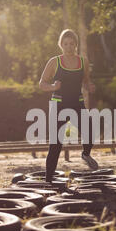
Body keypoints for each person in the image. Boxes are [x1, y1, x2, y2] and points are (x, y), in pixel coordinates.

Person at [39, 29, 99, 182]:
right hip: (58, 105)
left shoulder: (83, 61)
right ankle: (48, 181)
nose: (69, 47)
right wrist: (53, 87)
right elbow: (42, 84)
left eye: (72, 44)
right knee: (56, 145)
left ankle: (86, 154)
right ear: (61, 44)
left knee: (91, 129)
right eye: (65, 43)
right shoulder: (54, 61)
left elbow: (85, 81)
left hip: (77, 103)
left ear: (76, 45)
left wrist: (89, 86)